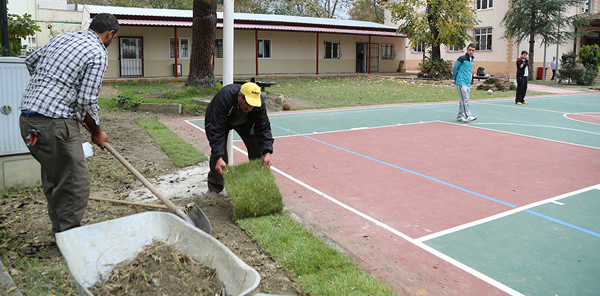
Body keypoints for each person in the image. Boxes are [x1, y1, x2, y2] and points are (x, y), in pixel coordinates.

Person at [18, 13, 118, 236]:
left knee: (56, 176)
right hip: (54, 125)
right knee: (74, 183)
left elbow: (30, 61)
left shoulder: (62, 39)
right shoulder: (97, 53)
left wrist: (52, 89)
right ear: (110, 34)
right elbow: (86, 101)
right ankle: (70, 237)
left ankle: (60, 234)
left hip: (28, 121)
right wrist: (97, 133)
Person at [204, 82, 274, 198]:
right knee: (219, 154)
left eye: (253, 105)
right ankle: (215, 187)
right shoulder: (224, 98)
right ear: (239, 96)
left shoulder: (258, 104)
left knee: (257, 148)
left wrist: (267, 152)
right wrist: (218, 157)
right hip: (221, 122)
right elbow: (216, 130)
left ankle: (258, 181)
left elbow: (263, 127)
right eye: (247, 104)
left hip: (245, 122)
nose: (250, 108)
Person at [452, 43, 477, 122]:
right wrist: (455, 78)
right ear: (467, 49)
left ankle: (460, 116)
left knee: (464, 100)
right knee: (464, 100)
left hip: (467, 82)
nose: (471, 51)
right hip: (460, 82)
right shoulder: (461, 58)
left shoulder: (472, 60)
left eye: (472, 50)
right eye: (469, 50)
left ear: (474, 51)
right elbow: (455, 69)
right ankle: (468, 115)